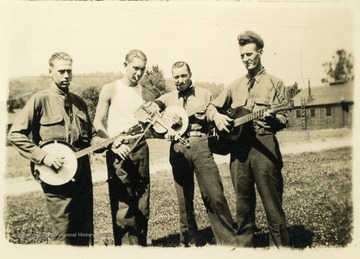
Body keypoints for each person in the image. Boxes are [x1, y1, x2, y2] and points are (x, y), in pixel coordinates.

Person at [7, 52, 103, 245]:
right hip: (56, 178)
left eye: (69, 71)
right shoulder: (39, 99)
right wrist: (44, 157)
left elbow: (91, 136)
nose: (66, 76)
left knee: (84, 232)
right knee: (63, 233)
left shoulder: (79, 102)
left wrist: (102, 144)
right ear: (50, 72)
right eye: (61, 71)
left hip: (83, 178)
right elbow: (15, 134)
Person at [206, 31, 290, 248]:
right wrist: (217, 116)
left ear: (260, 53)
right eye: (242, 55)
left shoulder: (276, 83)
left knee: (273, 206)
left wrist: (273, 118)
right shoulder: (235, 85)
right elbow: (211, 107)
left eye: (249, 54)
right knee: (243, 208)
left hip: (264, 147)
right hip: (238, 153)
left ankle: (281, 250)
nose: (246, 59)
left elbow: (283, 117)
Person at [155, 61, 237, 247]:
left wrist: (215, 116)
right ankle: (189, 241)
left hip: (200, 143)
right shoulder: (166, 99)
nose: (180, 80)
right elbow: (154, 118)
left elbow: (211, 110)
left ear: (190, 74)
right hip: (177, 148)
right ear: (172, 78)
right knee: (184, 198)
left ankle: (228, 241)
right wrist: (165, 124)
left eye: (184, 75)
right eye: (176, 76)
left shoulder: (204, 93)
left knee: (214, 193)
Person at [93, 49, 154, 246]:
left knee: (142, 201)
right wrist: (112, 144)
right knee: (123, 203)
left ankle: (140, 245)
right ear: (125, 65)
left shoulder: (146, 93)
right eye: (135, 68)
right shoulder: (111, 89)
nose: (138, 73)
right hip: (118, 148)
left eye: (142, 69)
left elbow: (152, 126)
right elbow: (98, 123)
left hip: (141, 147)